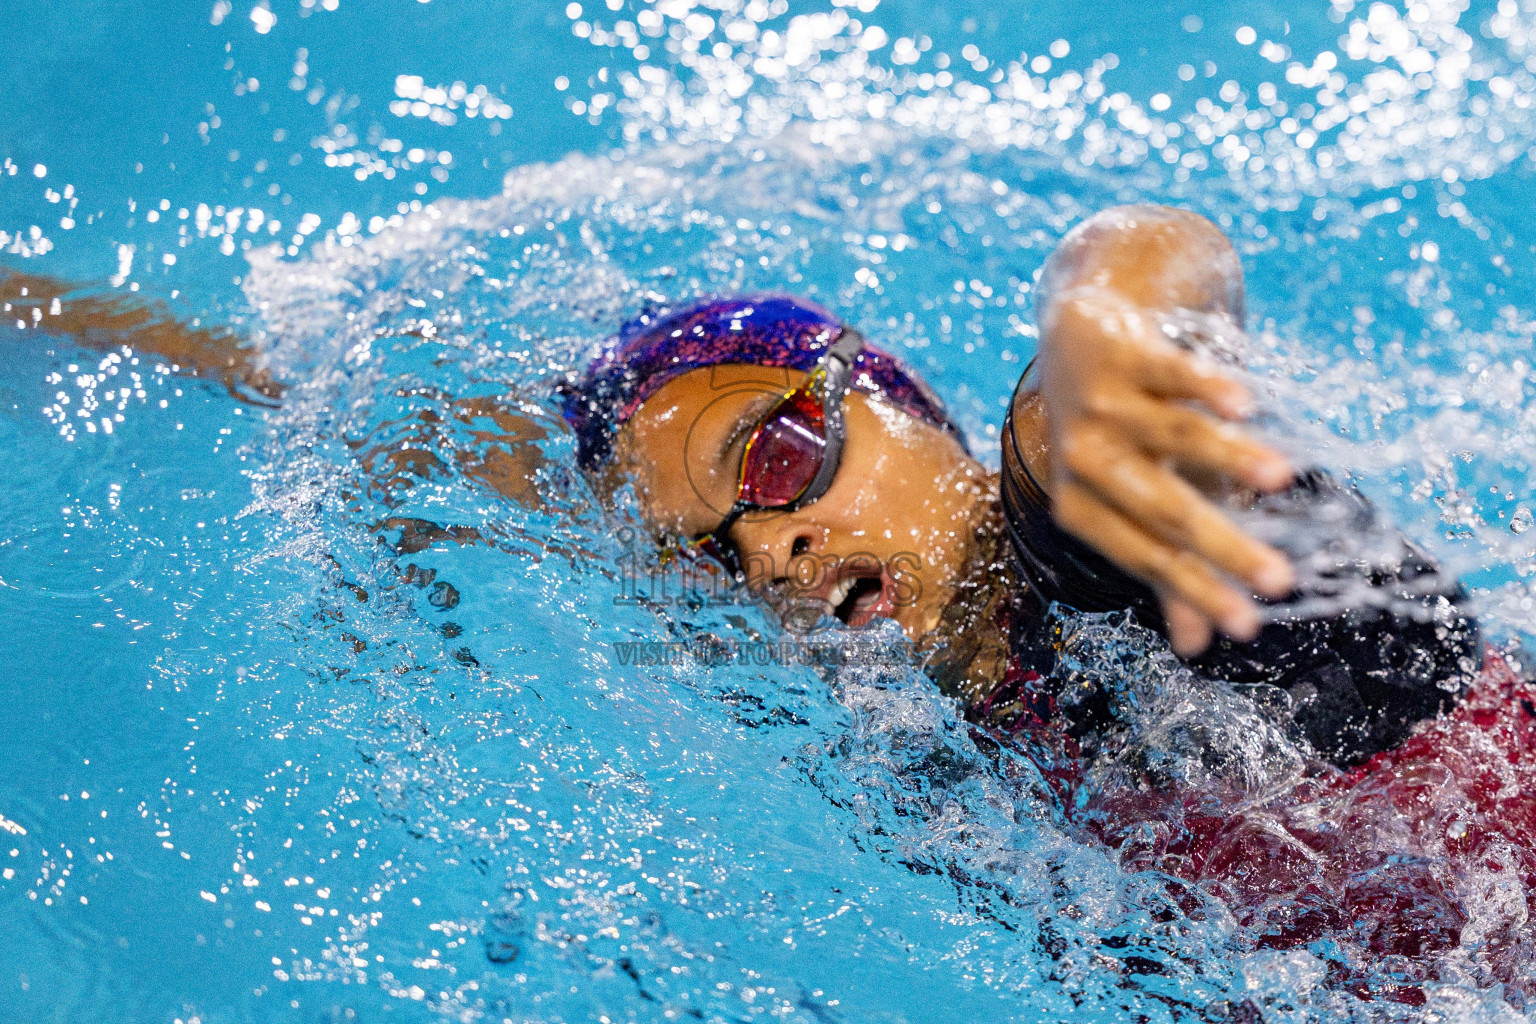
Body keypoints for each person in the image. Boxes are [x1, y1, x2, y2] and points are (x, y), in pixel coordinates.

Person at [560, 204, 1480, 771]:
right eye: (706, 558)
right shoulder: (921, 760)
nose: (765, 553)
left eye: (774, 458)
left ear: (895, 398)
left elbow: (1150, 267)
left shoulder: (1071, 507)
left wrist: (1099, 328)